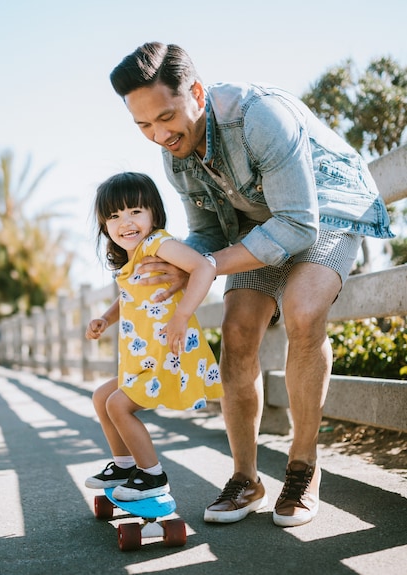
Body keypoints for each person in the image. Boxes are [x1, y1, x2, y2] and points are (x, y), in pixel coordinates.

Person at [108, 42, 394, 525]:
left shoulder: (259, 116)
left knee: (303, 311)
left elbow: (299, 225)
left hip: (325, 212)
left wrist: (205, 265)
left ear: (196, 92)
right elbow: (208, 233)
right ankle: (246, 478)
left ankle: (303, 467)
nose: (159, 134)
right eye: (143, 126)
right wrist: (185, 261)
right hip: (255, 227)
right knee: (238, 331)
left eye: (166, 117)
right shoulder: (174, 154)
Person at [84, 171, 223, 501]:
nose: (126, 222)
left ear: (153, 214)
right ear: (104, 226)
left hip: (168, 354)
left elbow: (204, 267)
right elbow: (130, 296)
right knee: (102, 398)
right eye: (114, 216)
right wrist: (105, 317)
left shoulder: (158, 243)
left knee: (119, 406)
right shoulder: (133, 258)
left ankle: (152, 475)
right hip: (144, 358)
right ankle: (124, 465)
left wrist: (182, 315)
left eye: (135, 211)